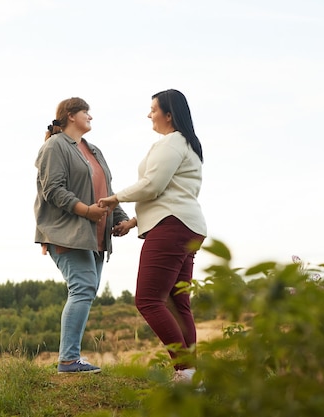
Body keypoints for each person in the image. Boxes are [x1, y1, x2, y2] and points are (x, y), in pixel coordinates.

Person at [98, 89, 207, 384]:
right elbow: (172, 192)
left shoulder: (171, 143)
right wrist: (134, 222)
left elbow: (153, 185)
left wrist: (114, 198)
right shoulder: (187, 144)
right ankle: (191, 372)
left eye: (153, 109)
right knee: (177, 301)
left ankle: (184, 371)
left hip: (172, 227)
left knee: (148, 300)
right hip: (187, 225)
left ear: (168, 114)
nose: (149, 114)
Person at [34, 97, 132, 374]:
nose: (91, 116)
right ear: (70, 115)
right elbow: (52, 189)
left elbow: (107, 193)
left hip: (96, 235)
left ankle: (71, 358)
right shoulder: (55, 146)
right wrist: (85, 211)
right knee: (83, 287)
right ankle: (68, 360)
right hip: (66, 232)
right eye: (86, 111)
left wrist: (121, 219)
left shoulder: (94, 150)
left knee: (85, 290)